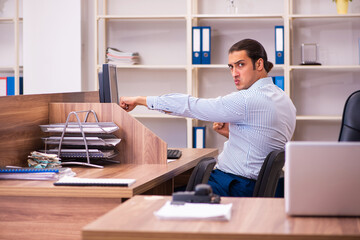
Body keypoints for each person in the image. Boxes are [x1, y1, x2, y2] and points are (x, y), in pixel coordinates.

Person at [119, 38, 296, 197]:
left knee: (154, 196)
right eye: (231, 67)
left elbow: (192, 106)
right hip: (263, 186)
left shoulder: (248, 99)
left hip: (236, 186)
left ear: (259, 64)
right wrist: (231, 133)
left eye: (240, 65)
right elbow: (265, 142)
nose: (234, 73)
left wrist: (140, 100)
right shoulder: (283, 99)